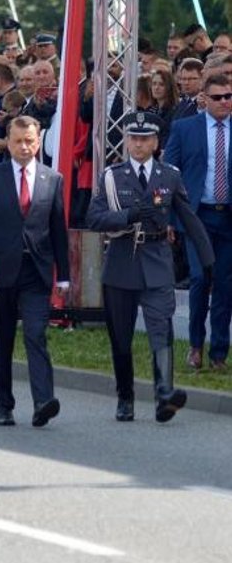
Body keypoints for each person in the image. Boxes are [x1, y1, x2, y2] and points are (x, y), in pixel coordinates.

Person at [87, 112, 214, 423]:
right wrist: (129, 215)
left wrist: (207, 258)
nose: (138, 144)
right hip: (121, 261)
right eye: (133, 138)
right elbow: (94, 218)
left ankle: (164, 395)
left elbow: (187, 217)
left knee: (161, 329)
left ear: (157, 143)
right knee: (121, 336)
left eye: (145, 139)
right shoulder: (111, 176)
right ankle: (125, 397)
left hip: (157, 259)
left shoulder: (169, 175)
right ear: (126, 140)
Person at [0, 116, 70, 427]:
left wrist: (63, 275)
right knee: (3, 339)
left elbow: (57, 231)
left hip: (35, 272)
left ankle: (43, 402)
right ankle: (5, 404)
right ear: (9, 142)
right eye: (18, 141)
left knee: (36, 334)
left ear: (38, 143)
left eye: (30, 141)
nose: (24, 147)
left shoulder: (52, 179)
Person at [164, 74, 232, 372]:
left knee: (225, 285)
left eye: (229, 96)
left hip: (228, 216)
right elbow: (168, 174)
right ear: (204, 98)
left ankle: (219, 352)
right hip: (196, 216)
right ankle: (195, 345)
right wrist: (167, 217)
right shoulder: (184, 128)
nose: (224, 102)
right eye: (218, 97)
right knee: (200, 279)